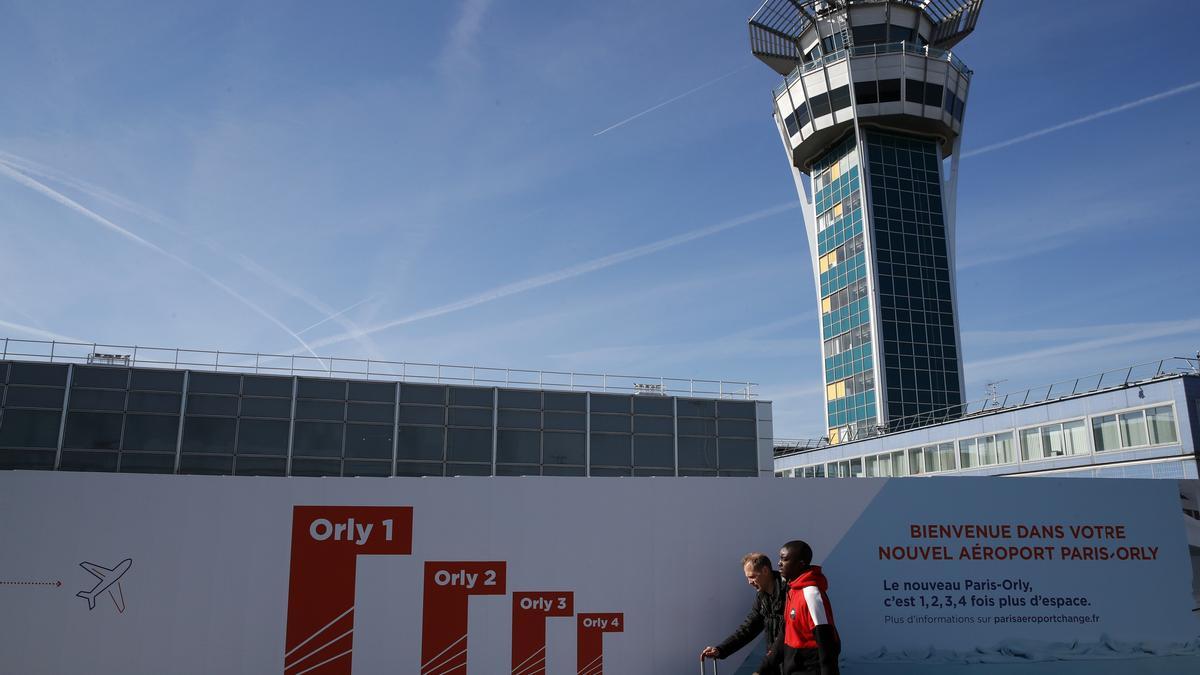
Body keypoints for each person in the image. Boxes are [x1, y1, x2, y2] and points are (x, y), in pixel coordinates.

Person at [760, 540, 840, 675]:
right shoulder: (792, 590)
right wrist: (762, 669)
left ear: (800, 564)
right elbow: (785, 634)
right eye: (780, 558)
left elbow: (827, 643)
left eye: (784, 559)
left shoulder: (811, 594)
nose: (779, 563)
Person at [699, 552, 785, 675]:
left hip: (794, 663)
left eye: (752, 576)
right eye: (747, 578)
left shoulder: (789, 591)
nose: (749, 582)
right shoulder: (761, 597)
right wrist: (720, 649)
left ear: (765, 570)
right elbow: (748, 628)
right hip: (774, 663)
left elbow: (789, 633)